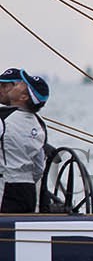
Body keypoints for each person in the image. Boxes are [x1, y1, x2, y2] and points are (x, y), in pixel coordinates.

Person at [0, 68, 49, 214]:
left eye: (21, 85)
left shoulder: (3, 118)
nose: (18, 85)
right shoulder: (40, 124)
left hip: (6, 187)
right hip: (29, 190)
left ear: (23, 97)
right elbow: (39, 167)